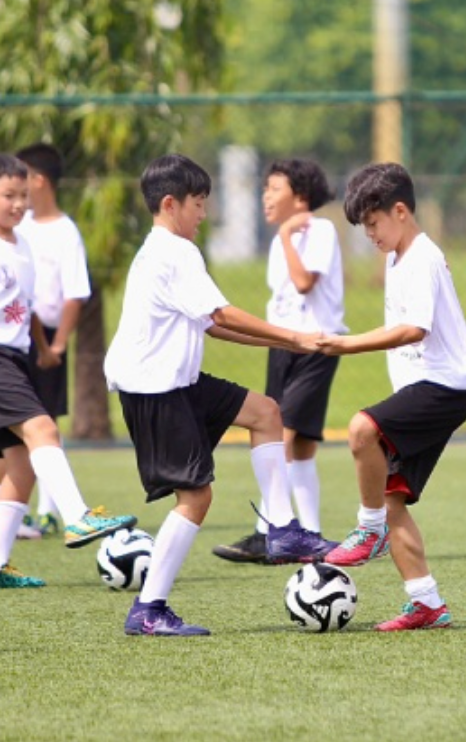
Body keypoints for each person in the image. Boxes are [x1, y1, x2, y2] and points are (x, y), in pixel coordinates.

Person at [106, 153, 326, 636]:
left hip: (178, 380)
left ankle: (281, 530)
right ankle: (148, 610)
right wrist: (294, 338)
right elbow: (223, 316)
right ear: (170, 204)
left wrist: (282, 337)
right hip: (155, 387)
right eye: (199, 203)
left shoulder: (167, 248)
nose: (205, 214)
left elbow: (210, 323)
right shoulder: (174, 252)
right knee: (196, 497)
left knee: (267, 413)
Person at [0, 153, 137, 589]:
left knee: (21, 465)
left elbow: (24, 306)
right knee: (44, 431)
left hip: (11, 358)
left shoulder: (24, 244)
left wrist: (43, 347)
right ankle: (77, 517)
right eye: (7, 196)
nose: (18, 204)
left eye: (23, 195)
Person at [316, 163, 466, 631]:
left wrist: (344, 343)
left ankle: (367, 529)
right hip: (434, 388)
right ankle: (426, 603)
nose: (369, 234)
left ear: (400, 211)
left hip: (446, 387)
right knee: (393, 498)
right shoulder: (402, 255)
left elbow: (414, 329)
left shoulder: (421, 258)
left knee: (361, 429)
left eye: (373, 223)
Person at [213, 158, 346, 564]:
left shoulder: (319, 230)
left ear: (300, 197)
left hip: (316, 346)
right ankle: (311, 536)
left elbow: (306, 283)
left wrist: (288, 238)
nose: (265, 196)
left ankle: (266, 532)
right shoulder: (277, 241)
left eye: (274, 188)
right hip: (283, 346)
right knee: (300, 445)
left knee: (283, 438)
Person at [12, 142, 91, 535]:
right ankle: (11, 506)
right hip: (13, 341)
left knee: (45, 423)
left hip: (46, 347)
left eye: (21, 177)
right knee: (13, 428)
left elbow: (75, 292)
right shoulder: (16, 227)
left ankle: (46, 510)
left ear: (39, 181)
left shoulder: (65, 232)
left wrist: (58, 344)